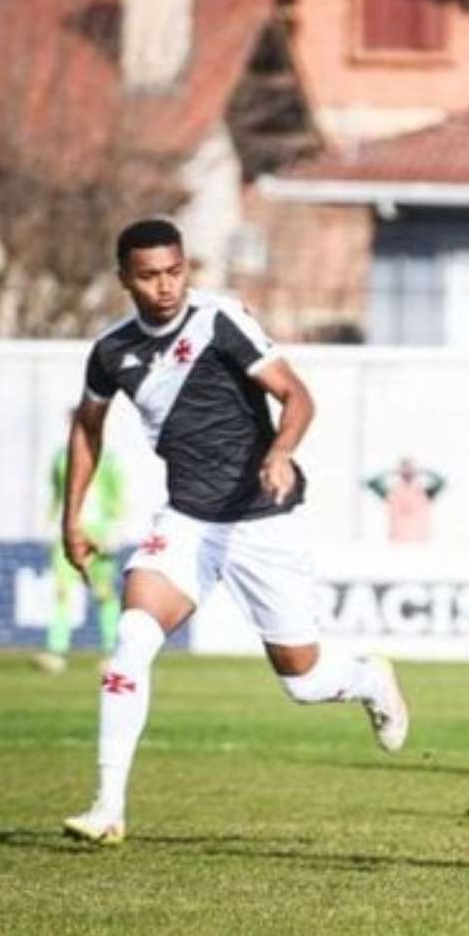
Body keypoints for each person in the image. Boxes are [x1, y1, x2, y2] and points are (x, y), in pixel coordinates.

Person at [60, 219, 409, 847]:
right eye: (149, 276)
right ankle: (107, 806)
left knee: (303, 682)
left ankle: (368, 678)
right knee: (131, 642)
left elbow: (296, 395)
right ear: (124, 280)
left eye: (174, 271)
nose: (165, 287)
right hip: (188, 521)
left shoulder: (220, 321)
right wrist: (72, 517)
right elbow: (86, 427)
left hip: (263, 519)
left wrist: (279, 452)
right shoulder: (110, 351)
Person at [35, 415, 127, 674]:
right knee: (62, 591)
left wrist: (116, 530)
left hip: (99, 534)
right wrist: (50, 522)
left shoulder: (108, 460)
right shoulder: (61, 458)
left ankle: (112, 651)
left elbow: (118, 497)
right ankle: (55, 651)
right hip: (68, 532)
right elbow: (57, 494)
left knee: (104, 593)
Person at [363, 457, 447, 544]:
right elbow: (371, 483)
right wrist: (393, 472)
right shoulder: (392, 493)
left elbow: (442, 482)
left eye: (410, 470)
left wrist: (422, 471)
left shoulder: (425, 493)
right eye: (404, 470)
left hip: (421, 542)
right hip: (397, 542)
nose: (407, 473)